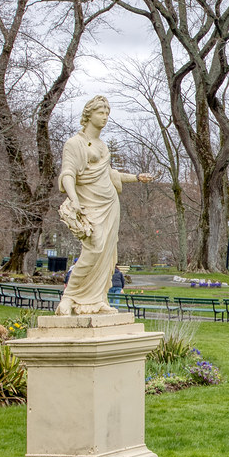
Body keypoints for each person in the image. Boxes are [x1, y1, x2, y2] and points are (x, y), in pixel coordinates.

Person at [56, 96, 152, 316]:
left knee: (106, 254)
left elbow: (109, 174)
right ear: (89, 114)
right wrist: (74, 199)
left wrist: (136, 177)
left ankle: (97, 300)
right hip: (89, 204)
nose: (105, 117)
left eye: (108, 113)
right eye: (101, 112)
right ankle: (69, 297)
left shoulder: (102, 146)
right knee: (94, 249)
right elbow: (68, 174)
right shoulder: (74, 143)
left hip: (109, 205)